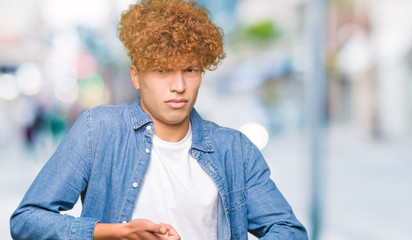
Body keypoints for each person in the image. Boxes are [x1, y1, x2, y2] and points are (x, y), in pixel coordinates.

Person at [10, 0, 308, 239]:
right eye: (163, 70)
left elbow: (288, 230)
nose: (179, 85)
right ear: (136, 76)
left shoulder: (235, 150)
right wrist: (112, 233)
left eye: (190, 70)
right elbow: (27, 221)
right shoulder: (98, 130)